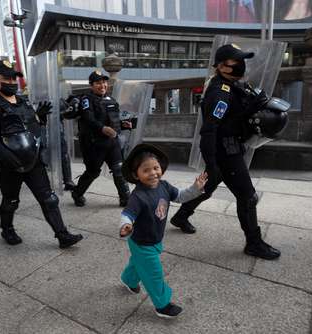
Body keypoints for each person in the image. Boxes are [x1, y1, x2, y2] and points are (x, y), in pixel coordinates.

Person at [170, 44, 281, 260]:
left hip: (230, 146)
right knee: (248, 197)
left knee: (208, 187)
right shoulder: (220, 91)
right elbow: (209, 130)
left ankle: (181, 216)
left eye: (241, 61)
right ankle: (254, 243)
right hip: (225, 151)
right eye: (234, 61)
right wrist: (211, 163)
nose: (240, 65)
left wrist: (252, 106)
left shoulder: (232, 85)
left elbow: (232, 118)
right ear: (221, 66)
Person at [0, 60, 83, 248]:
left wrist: (39, 118)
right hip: (7, 164)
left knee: (48, 199)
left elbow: (32, 127)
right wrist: (5, 155)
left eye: (13, 78)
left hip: (33, 160)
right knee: (11, 200)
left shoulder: (23, 101)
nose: (11, 81)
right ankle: (7, 229)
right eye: (6, 78)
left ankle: (62, 235)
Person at [119, 144, 207, 318]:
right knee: (154, 274)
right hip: (142, 243)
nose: (153, 173)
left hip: (155, 238)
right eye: (146, 170)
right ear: (136, 175)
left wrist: (195, 188)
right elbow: (127, 214)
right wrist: (125, 225)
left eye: (156, 168)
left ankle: (128, 279)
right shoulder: (138, 196)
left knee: (138, 264)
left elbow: (180, 196)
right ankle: (162, 305)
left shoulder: (164, 186)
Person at [71, 70, 131, 207]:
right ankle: (77, 193)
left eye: (104, 82)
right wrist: (102, 128)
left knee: (119, 170)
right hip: (94, 143)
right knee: (93, 172)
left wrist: (123, 125)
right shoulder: (86, 100)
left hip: (112, 142)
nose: (102, 85)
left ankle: (126, 199)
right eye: (98, 83)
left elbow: (113, 121)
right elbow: (88, 118)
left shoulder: (111, 100)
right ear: (91, 85)